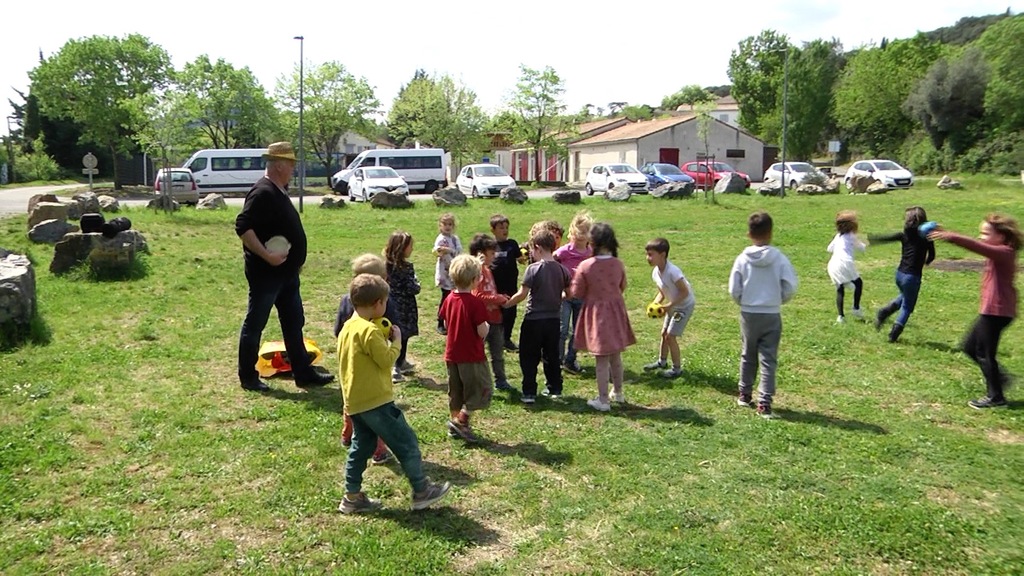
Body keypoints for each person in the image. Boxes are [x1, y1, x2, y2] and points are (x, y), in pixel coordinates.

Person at [337, 273, 451, 514]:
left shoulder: (348, 327)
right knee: (406, 442)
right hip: (376, 401)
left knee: (362, 445)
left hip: (355, 401)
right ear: (378, 303)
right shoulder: (369, 332)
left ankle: (352, 496)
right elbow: (386, 360)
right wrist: (396, 342)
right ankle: (422, 491)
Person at [235, 141, 334, 392]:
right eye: (291, 164)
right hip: (267, 274)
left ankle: (303, 372)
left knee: (293, 321)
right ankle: (248, 377)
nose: (293, 169)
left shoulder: (279, 189)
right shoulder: (263, 192)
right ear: (279, 165)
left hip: (287, 274)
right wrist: (267, 256)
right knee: (255, 322)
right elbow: (243, 226)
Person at [929, 214, 1022, 409]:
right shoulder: (1000, 251)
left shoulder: (1004, 252)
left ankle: (996, 397)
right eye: (981, 233)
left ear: (1002, 236)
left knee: (985, 353)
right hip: (993, 310)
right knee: (970, 346)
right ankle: (1000, 379)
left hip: (998, 311)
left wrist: (951, 236)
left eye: (986, 233)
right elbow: (982, 246)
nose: (981, 236)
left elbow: (978, 247)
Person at [728, 211, 798, 420]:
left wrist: (744, 301)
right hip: (771, 313)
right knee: (768, 358)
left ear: (749, 233)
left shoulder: (742, 259)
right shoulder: (780, 258)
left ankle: (744, 393)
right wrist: (778, 299)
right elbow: (790, 285)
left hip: (749, 313)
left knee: (747, 353)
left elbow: (734, 288)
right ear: (771, 233)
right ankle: (764, 403)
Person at [333, 254, 397, 465]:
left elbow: (337, 330)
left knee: (350, 402)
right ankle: (378, 450)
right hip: (370, 366)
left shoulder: (346, 300)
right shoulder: (381, 303)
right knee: (373, 409)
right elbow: (392, 328)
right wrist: (393, 338)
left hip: (349, 363)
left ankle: (346, 434)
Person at [571, 222, 636, 412]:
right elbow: (622, 286)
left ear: (593, 242)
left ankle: (603, 400)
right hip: (616, 312)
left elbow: (577, 291)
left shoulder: (586, 265)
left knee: (601, 359)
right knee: (615, 355)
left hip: (596, 314)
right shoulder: (618, 264)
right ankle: (619, 392)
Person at [504, 229, 571, 404]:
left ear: (538, 248)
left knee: (528, 356)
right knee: (551, 355)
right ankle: (554, 388)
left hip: (533, 320)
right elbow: (569, 294)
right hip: (554, 320)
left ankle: (529, 392)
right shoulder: (562, 270)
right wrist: (556, 298)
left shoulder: (533, 269)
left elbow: (522, 294)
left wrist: (506, 304)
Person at [439, 255, 493, 441]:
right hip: (471, 356)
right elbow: (481, 330)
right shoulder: (475, 303)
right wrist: (487, 328)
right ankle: (461, 421)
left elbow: (446, 324)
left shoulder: (449, 299)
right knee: (480, 389)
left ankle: (454, 423)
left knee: (456, 391)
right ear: (474, 280)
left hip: (452, 355)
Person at [868, 206, 936, 343]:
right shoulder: (927, 238)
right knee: (907, 307)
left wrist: (873, 239)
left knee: (905, 296)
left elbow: (888, 238)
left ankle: (884, 312)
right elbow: (932, 255)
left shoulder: (904, 235)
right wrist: (926, 262)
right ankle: (893, 334)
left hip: (899, 274)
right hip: (912, 277)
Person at [643, 237, 696, 379]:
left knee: (670, 336)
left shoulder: (673, 272)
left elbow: (685, 292)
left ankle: (677, 369)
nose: (648, 258)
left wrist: (668, 306)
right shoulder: (655, 272)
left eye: (651, 254)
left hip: (684, 306)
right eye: (647, 254)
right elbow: (662, 291)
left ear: (663, 254)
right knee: (664, 333)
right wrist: (655, 304)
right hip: (672, 305)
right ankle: (662, 362)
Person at [470, 234, 512, 391]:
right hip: (481, 321)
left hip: (495, 319)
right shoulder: (476, 272)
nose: (494, 256)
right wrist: (498, 298)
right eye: (491, 253)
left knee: (498, 354)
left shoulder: (487, 270)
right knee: (478, 354)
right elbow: (478, 296)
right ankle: (479, 383)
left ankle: (501, 380)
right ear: (481, 253)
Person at [554, 211, 594, 375]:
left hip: (583, 297)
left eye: (584, 232)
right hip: (565, 296)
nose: (580, 236)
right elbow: (552, 261)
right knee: (563, 329)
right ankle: (557, 360)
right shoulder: (564, 251)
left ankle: (570, 360)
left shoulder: (590, 252)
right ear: (572, 232)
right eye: (578, 232)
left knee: (578, 331)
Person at [384, 231, 420, 383]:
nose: (412, 249)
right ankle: (397, 368)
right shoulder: (406, 267)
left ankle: (398, 362)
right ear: (402, 248)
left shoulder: (385, 265)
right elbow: (412, 288)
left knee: (391, 334)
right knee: (402, 337)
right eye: (410, 246)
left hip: (389, 305)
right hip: (405, 308)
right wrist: (418, 284)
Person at [490, 214, 524, 352]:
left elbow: (520, 258)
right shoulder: (490, 245)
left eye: (506, 227)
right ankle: (494, 338)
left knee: (510, 312)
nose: (505, 230)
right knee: (496, 314)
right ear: (493, 230)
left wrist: (524, 255)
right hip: (495, 286)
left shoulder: (512, 244)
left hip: (511, 286)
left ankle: (506, 339)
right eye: (501, 228)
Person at [826, 210, 867, 324]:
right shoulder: (851, 236)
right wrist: (864, 244)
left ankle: (840, 316)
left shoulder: (838, 236)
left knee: (840, 289)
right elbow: (861, 247)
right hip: (846, 262)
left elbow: (829, 249)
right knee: (858, 283)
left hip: (833, 263)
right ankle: (856, 308)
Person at [433, 213, 462, 335]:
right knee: (445, 297)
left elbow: (459, 251)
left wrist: (449, 250)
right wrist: (440, 250)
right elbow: (436, 251)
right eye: (445, 224)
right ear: (440, 226)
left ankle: (452, 321)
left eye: (450, 224)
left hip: (454, 271)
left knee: (455, 298)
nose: (447, 227)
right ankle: (440, 321)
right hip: (445, 273)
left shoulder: (455, 239)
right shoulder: (440, 239)